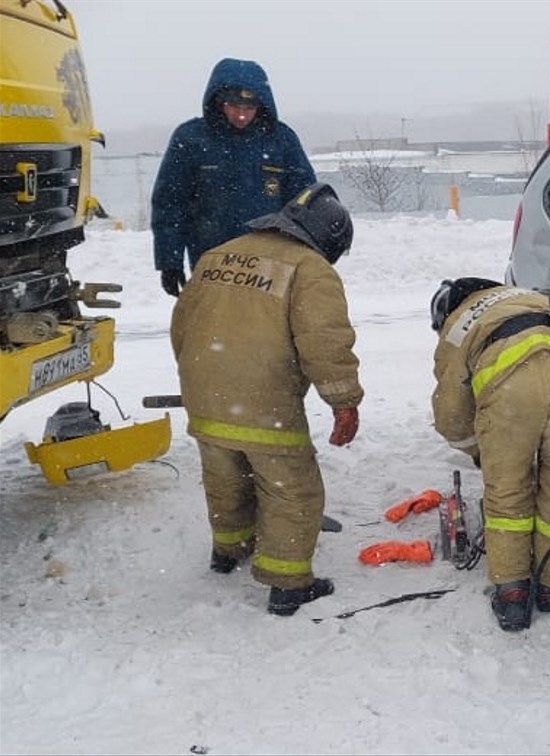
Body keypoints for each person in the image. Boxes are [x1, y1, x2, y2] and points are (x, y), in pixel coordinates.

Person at [170, 183, 362, 617]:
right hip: (264, 402)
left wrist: (198, 379)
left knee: (226, 479)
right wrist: (344, 401)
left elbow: (182, 324)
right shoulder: (310, 270)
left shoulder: (218, 254)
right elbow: (325, 343)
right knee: (293, 490)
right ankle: (289, 583)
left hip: (205, 394)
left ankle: (229, 550)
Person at [430, 279, 550, 632]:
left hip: (508, 389)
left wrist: (478, 451)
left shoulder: (458, 324)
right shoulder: (534, 297)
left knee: (507, 496)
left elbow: (450, 414)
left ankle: (511, 596)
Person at [152, 58, 317, 298]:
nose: (241, 116)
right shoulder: (191, 140)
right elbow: (170, 203)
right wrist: (170, 261)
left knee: (267, 329)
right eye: (234, 107)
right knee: (215, 329)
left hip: (270, 262)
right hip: (212, 261)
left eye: (248, 109)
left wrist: (308, 254)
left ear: (261, 106)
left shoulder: (282, 140)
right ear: (219, 102)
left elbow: (305, 201)